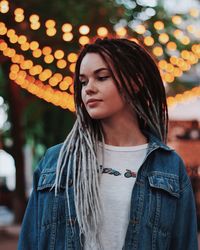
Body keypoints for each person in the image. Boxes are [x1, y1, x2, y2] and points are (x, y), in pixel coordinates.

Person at [18, 38, 198, 250]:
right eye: (83, 82)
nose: (88, 89)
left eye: (102, 77)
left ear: (135, 82)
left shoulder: (168, 166)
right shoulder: (56, 161)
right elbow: (29, 243)